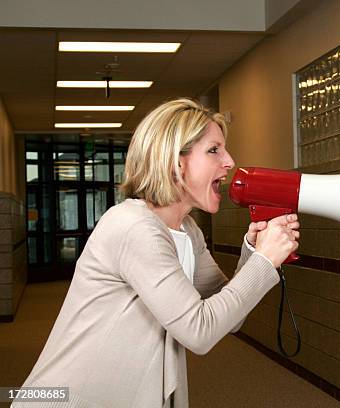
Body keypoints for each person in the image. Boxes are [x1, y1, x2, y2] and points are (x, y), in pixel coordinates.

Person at [14, 98, 299, 408]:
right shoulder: (134, 226)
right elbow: (198, 331)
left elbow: (228, 319)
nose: (229, 161)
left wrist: (253, 253)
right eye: (214, 150)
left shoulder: (186, 229)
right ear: (174, 162)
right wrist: (264, 261)